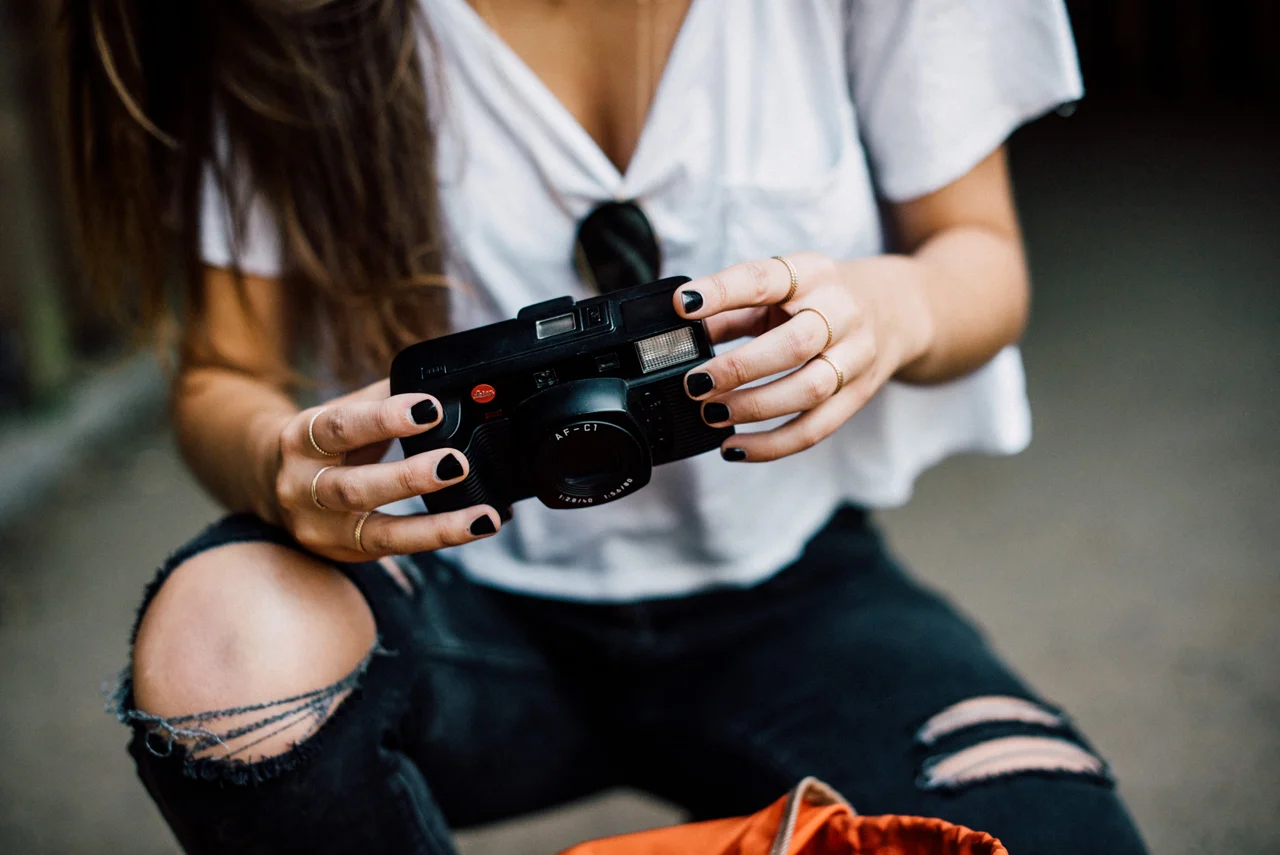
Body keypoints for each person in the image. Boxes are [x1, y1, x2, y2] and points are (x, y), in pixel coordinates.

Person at [60, 0, 1148, 852]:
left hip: (789, 590)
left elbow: (979, 257)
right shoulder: (297, 24)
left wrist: (890, 308)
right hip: (450, 591)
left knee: (1046, 828)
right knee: (221, 640)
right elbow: (223, 373)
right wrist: (276, 462)